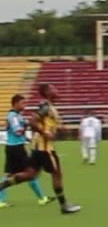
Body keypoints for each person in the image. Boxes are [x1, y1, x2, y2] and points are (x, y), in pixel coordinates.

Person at [0, 84, 79, 214]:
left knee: (31, 174)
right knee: (57, 173)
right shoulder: (45, 106)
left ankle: (2, 185)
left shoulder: (50, 107)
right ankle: (64, 205)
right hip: (45, 147)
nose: (57, 90)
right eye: (54, 89)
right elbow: (32, 121)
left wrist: (60, 128)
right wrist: (45, 132)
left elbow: (48, 123)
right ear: (47, 92)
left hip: (38, 146)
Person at [0, 94, 50, 208]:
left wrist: (28, 137)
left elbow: (19, 131)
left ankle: (1, 200)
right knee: (31, 171)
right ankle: (42, 198)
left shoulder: (17, 115)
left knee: (10, 174)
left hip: (13, 147)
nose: (25, 105)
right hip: (16, 149)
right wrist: (27, 126)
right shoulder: (13, 116)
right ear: (16, 103)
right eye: (23, 103)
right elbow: (17, 131)